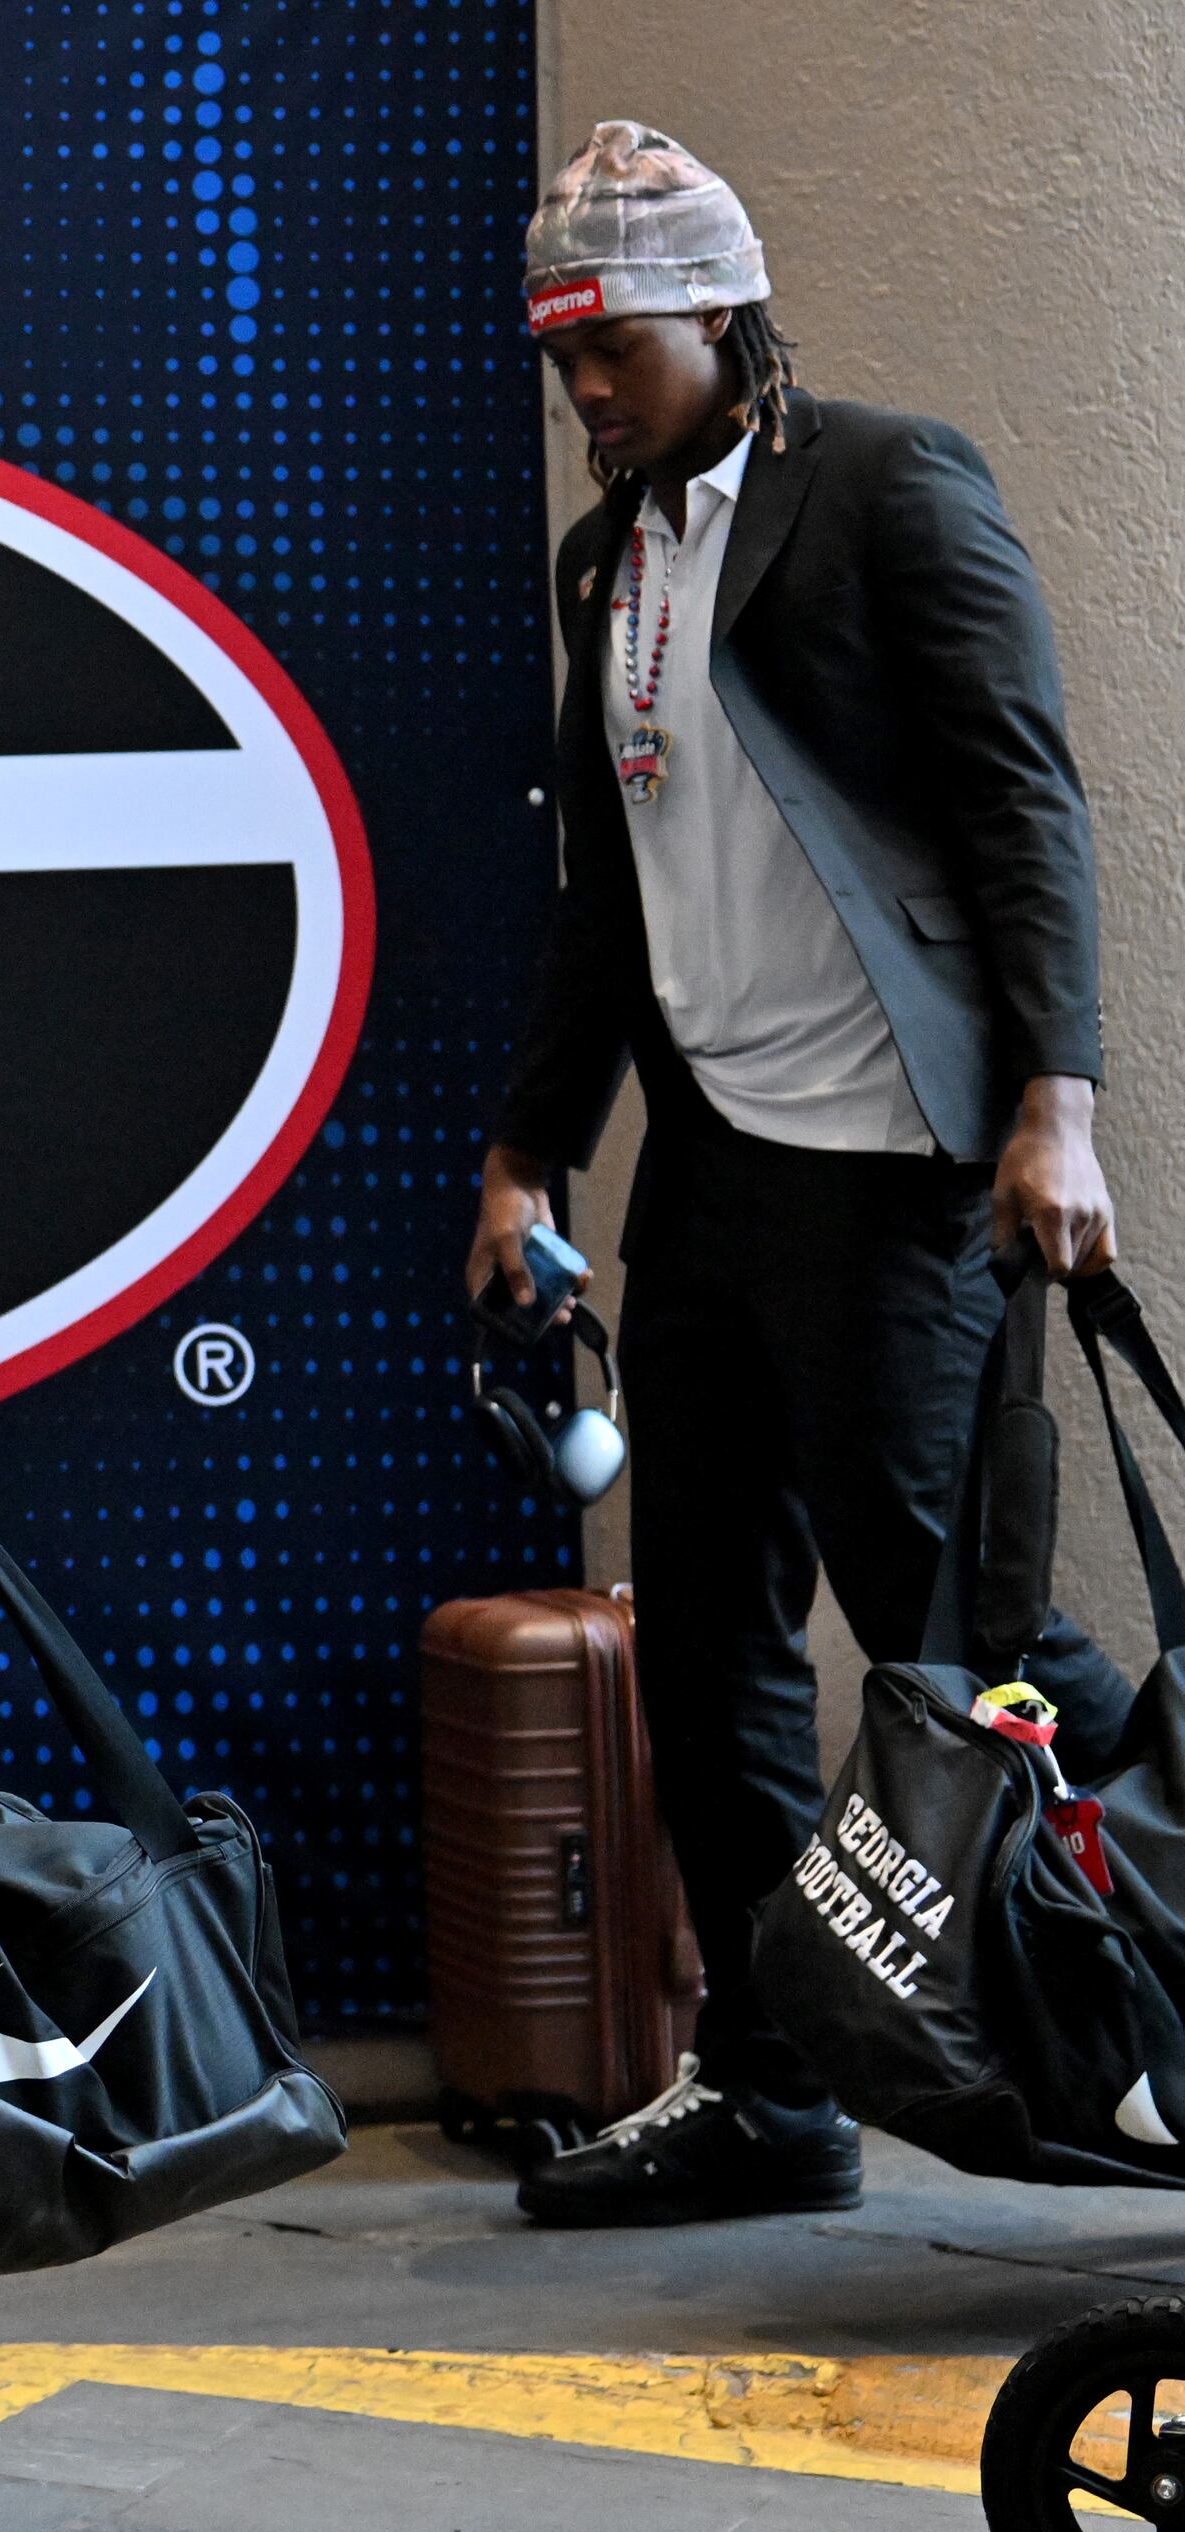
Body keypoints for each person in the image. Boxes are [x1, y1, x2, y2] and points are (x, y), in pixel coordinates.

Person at [470, 123, 1132, 2231]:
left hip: (897, 1173)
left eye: (623, 348)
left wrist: (1060, 1102)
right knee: (712, 1653)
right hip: (720, 1177)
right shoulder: (609, 560)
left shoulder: (884, 486)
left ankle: (1152, 1982)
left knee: (972, 1635)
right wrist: (526, 1145)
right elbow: (609, 893)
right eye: (563, 356)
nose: (591, 391)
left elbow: (1024, 802)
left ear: (726, 316)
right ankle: (773, 2085)